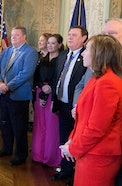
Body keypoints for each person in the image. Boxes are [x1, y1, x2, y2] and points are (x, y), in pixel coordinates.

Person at [59, 34, 122, 186]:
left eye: (87, 49)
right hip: (90, 150)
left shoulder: (107, 83)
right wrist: (72, 139)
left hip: (99, 154)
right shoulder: (97, 78)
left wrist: (73, 148)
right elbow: (85, 113)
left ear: (98, 54)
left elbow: (97, 128)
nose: (82, 53)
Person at [0, 26, 38, 166]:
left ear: (24, 37)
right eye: (12, 35)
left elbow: (26, 73)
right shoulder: (7, 50)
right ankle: (6, 148)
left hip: (19, 96)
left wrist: (8, 86)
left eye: (17, 35)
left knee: (19, 126)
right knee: (5, 123)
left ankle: (20, 154)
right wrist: (0, 82)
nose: (13, 38)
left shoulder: (30, 52)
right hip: (4, 93)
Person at [51, 26, 88, 181]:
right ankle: (65, 170)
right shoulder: (63, 55)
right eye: (69, 34)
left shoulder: (86, 57)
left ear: (84, 38)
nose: (70, 37)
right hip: (62, 104)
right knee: (64, 138)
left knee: (77, 140)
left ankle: (76, 174)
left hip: (77, 108)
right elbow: (57, 78)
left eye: (74, 35)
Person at [32, 34, 64, 167]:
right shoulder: (43, 59)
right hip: (41, 93)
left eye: (53, 43)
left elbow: (60, 78)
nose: (50, 45)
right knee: (40, 125)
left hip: (54, 95)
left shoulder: (62, 60)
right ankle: (38, 155)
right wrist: (41, 86)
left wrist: (50, 88)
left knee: (52, 127)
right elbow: (35, 76)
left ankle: (50, 158)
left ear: (59, 45)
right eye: (48, 43)